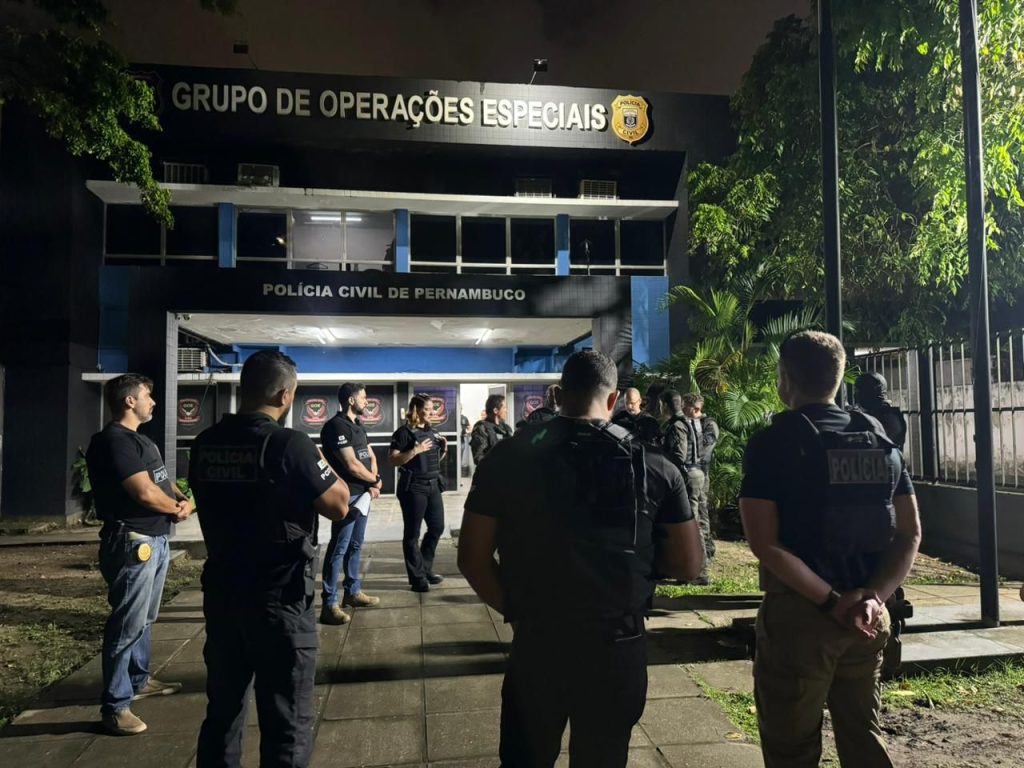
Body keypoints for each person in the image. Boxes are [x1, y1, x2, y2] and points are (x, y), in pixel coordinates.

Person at [458, 350, 705, 768]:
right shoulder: (655, 464)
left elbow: (472, 558)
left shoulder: (508, 457)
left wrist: (517, 611)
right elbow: (688, 564)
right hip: (617, 645)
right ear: (613, 400)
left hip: (539, 641)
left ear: (557, 394)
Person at [739, 330, 921, 768]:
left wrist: (830, 601)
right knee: (863, 738)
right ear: (838, 378)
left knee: (791, 747)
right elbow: (910, 533)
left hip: (801, 618)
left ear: (785, 378)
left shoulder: (772, 444)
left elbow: (765, 542)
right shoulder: (878, 439)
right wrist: (874, 598)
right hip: (867, 620)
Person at [189, 350, 349, 768]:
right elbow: (338, 504)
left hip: (223, 596)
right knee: (286, 724)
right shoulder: (288, 443)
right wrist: (313, 460)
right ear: (284, 395)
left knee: (222, 714)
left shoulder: (205, 442)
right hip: (279, 600)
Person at [86, 374, 194, 736]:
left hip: (153, 539)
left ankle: (139, 680)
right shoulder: (113, 441)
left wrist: (179, 499)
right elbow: (143, 492)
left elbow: (159, 482)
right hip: (133, 542)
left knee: (145, 618)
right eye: (148, 395)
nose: (153, 401)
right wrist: (175, 509)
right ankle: (116, 706)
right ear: (129, 401)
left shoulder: (139, 440)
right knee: (127, 623)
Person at [319, 382, 383, 625]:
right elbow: (351, 465)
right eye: (363, 397)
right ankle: (329, 604)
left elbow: (369, 455)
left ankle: (353, 592)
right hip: (348, 495)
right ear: (351, 400)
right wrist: (374, 480)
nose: (367, 401)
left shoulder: (358, 425)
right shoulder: (336, 426)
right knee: (339, 547)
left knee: (356, 544)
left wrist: (373, 481)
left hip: (364, 494)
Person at [390, 395, 449, 592]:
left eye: (433, 408)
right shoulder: (403, 433)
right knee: (412, 534)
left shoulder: (432, 431)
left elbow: (431, 460)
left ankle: (425, 568)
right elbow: (393, 460)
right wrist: (416, 450)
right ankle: (417, 578)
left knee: (437, 527)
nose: (433, 412)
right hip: (414, 487)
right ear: (416, 410)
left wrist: (443, 450)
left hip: (433, 485)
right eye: (428, 409)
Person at [659, 389, 713, 584]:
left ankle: (700, 572)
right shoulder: (691, 422)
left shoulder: (677, 426)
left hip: (688, 476)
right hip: (696, 473)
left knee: (692, 523)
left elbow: (679, 455)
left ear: (664, 405)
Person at [684, 392, 719, 571]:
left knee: (701, 509)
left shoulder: (708, 424)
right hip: (689, 472)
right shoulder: (686, 423)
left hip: (701, 472)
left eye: (685, 406)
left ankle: (706, 548)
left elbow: (705, 448)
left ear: (695, 408)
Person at [852, 372, 908, 450]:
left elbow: (880, 446)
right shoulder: (876, 413)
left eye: (860, 390)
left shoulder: (889, 416)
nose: (856, 394)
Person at [470, 393, 513, 465]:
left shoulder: (507, 428)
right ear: (495, 410)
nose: (506, 411)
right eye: (504, 408)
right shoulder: (481, 428)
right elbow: (478, 457)